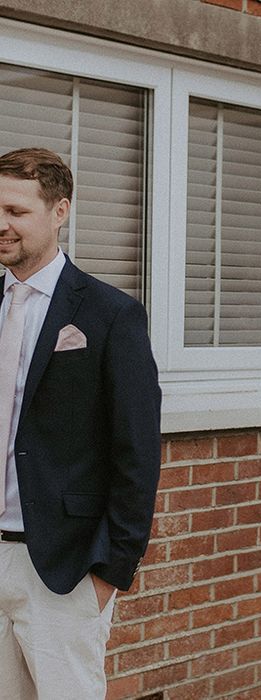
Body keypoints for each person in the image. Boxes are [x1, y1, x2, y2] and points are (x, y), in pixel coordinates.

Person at [0, 147, 161, 698]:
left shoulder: (110, 314)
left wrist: (111, 571)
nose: (2, 224)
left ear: (59, 211)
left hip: (62, 567)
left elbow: (136, 452)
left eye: (16, 211)